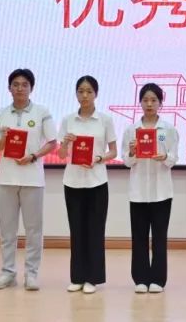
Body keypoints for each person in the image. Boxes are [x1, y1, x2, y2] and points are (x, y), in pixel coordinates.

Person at [0, 68, 57, 291]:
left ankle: (31, 274)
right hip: (6, 179)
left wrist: (34, 156)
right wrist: (4, 138)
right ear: (9, 88)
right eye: (15, 84)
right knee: (7, 230)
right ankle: (8, 272)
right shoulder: (1, 113)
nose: (20, 88)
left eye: (24, 84)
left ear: (31, 88)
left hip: (33, 179)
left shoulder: (42, 112)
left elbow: (52, 143)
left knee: (34, 230)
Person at [56, 75, 118, 294]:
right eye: (81, 91)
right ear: (76, 94)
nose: (84, 95)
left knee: (95, 231)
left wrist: (99, 158)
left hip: (97, 182)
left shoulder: (105, 120)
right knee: (77, 230)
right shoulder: (68, 120)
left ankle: (93, 278)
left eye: (89, 91)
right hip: (72, 182)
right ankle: (77, 277)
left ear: (96, 94)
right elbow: (61, 154)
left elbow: (114, 151)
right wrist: (65, 143)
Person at [121, 82, 179, 293]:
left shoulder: (168, 129)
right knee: (139, 237)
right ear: (140, 103)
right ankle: (140, 278)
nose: (149, 104)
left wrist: (165, 157)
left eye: (154, 100)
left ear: (160, 103)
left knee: (159, 238)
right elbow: (127, 161)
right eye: (145, 100)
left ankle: (158, 280)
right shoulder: (131, 130)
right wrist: (132, 152)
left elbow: (173, 158)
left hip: (161, 192)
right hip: (138, 192)